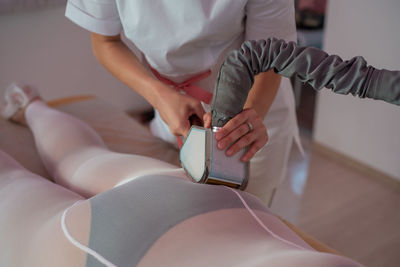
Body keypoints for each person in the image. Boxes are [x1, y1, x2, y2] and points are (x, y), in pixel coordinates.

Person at [0, 84, 363, 267]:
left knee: (80, 159)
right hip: (119, 246)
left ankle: (30, 103)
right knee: (13, 181)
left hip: (214, 207)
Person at [64, 0, 300, 205]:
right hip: (173, 114)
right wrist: (159, 95)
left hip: (250, 115)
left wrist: (246, 117)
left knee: (242, 229)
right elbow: (106, 43)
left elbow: (268, 55)